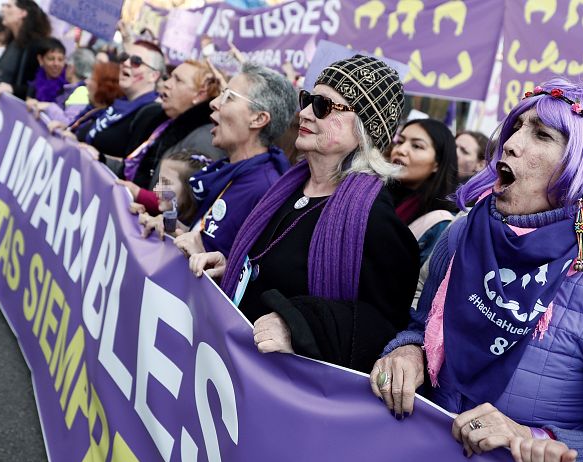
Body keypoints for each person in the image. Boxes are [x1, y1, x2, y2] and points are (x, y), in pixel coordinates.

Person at [371, 79, 583, 462]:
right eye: (516, 127)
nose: (510, 142)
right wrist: (407, 352)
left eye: (541, 134)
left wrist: (536, 442)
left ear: (582, 167)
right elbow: (419, 326)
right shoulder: (462, 236)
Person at [190, 55, 420, 373]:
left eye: (323, 106)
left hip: (280, 390)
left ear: (364, 127)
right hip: (227, 369)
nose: (306, 113)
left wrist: (298, 325)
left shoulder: (374, 220)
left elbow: (381, 325)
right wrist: (232, 267)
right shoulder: (286, 188)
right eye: (307, 100)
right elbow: (276, 267)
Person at [132, 63, 296, 261]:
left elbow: (237, 274)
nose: (214, 103)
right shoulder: (231, 171)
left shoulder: (263, 189)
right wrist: (171, 227)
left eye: (228, 97)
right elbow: (204, 242)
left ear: (258, 119)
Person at [125, 59, 226, 189]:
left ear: (200, 95)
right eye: (170, 77)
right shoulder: (164, 120)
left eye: (178, 80)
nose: (167, 84)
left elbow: (182, 202)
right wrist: (101, 158)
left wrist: (141, 197)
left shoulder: (205, 140)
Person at [72, 40, 164, 160]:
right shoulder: (117, 104)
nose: (125, 63)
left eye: (136, 61)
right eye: (124, 57)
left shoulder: (152, 114)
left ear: (153, 76)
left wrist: (101, 158)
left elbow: (134, 166)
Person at [390, 118, 458, 263]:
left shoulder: (440, 223)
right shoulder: (372, 194)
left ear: (437, 164)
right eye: (400, 142)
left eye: (416, 146)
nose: (401, 150)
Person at [132, 151, 209, 237]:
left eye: (166, 183)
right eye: (159, 181)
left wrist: (172, 233)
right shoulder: (172, 216)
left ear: (191, 190)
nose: (156, 189)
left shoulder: (203, 234)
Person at [0, 0, 51, 99]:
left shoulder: (37, 46)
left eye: (9, 6)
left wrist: (13, 89)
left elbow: (43, 85)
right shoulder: (12, 43)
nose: (3, 10)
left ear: (23, 13)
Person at [26, 37, 66, 103]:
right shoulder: (34, 85)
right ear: (40, 60)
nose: (56, 64)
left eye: (60, 59)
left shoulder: (67, 88)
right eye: (51, 59)